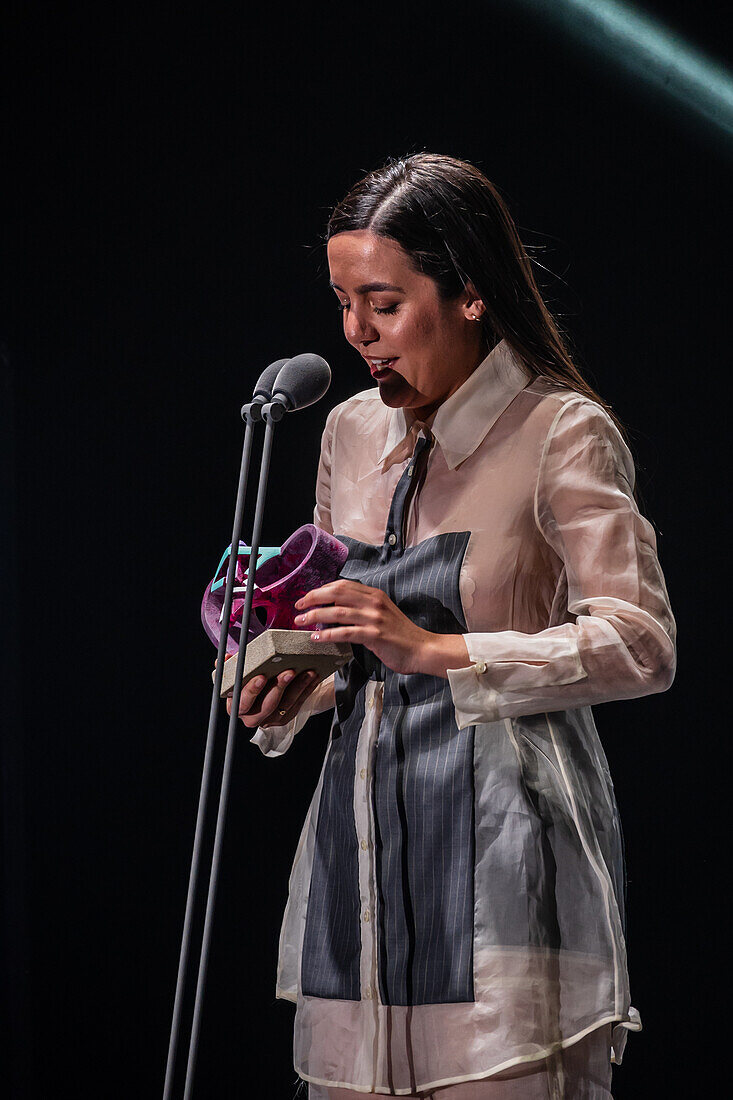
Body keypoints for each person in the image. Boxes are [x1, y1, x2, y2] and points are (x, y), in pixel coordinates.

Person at [227, 153, 676, 1098]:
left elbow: (641, 641)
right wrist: (284, 686)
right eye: (344, 302)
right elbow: (344, 644)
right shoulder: (348, 433)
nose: (355, 333)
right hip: (359, 888)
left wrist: (438, 651)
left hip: (506, 885)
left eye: (382, 304)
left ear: (469, 294)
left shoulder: (559, 429)